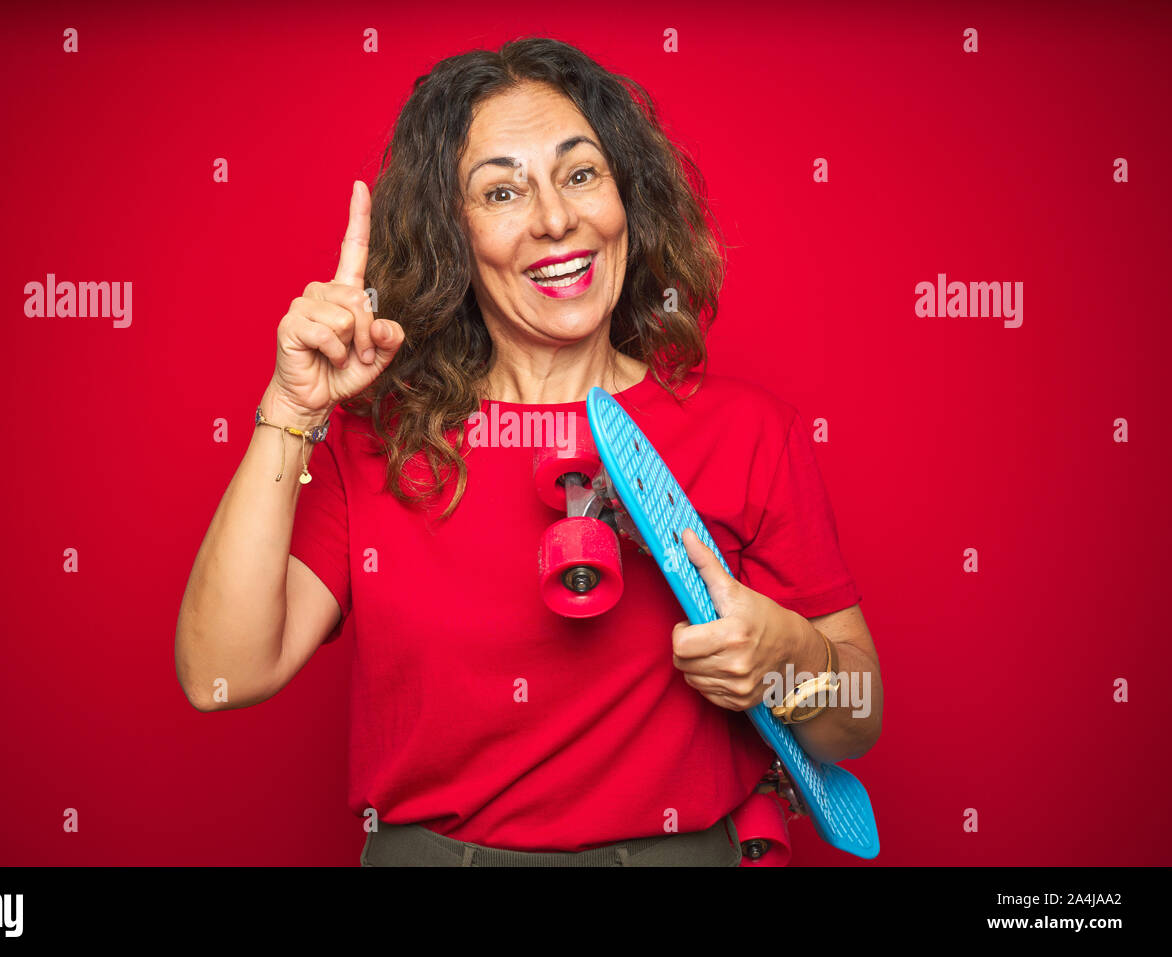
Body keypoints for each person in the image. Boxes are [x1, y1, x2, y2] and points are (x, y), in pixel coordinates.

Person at [175, 37, 883, 867]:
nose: (555, 218)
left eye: (581, 174)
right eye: (502, 190)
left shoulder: (748, 430)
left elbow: (857, 719)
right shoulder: (380, 438)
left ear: (627, 197)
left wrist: (788, 658)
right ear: (453, 233)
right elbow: (220, 671)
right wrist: (288, 407)